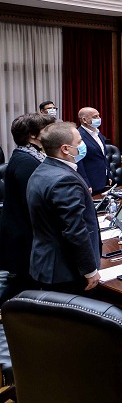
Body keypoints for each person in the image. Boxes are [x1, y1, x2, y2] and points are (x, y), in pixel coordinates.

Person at [26, 121, 101, 295]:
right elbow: (75, 230)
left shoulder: (42, 169)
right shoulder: (64, 180)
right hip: (66, 270)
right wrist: (90, 270)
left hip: (46, 262)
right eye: (79, 141)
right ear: (65, 149)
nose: (83, 145)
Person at [0, 112, 54, 301]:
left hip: (24, 231)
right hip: (23, 235)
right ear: (32, 135)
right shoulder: (26, 161)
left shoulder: (29, 154)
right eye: (45, 129)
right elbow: (33, 200)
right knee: (24, 285)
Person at [75, 106, 109, 194]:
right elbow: (79, 162)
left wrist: (108, 174)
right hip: (90, 181)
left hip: (103, 179)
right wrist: (85, 183)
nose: (99, 119)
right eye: (95, 117)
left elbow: (103, 156)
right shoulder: (78, 135)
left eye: (99, 116)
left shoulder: (97, 133)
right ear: (84, 120)